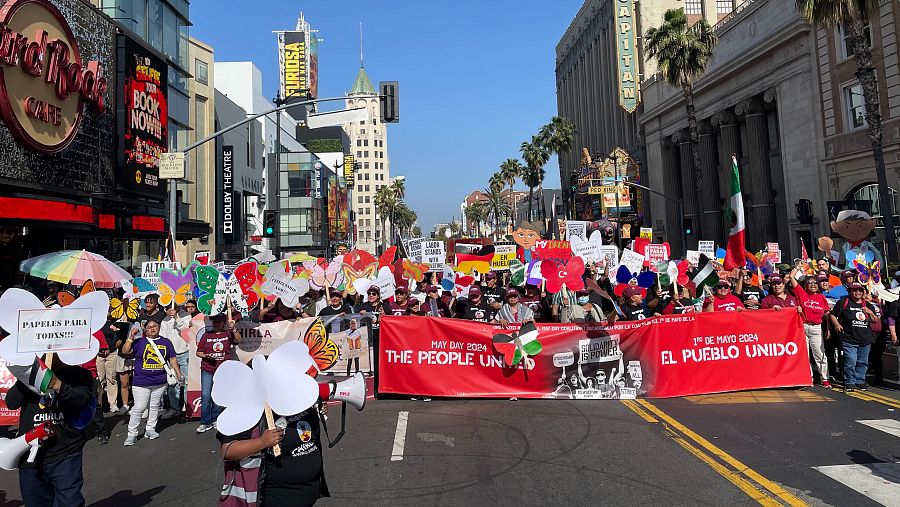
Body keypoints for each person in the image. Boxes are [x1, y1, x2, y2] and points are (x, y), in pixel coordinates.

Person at [6, 355, 94, 506]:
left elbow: (81, 401)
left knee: (70, 502)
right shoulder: (29, 375)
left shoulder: (78, 374)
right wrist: (29, 377)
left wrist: (57, 384)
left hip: (65, 451)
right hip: (31, 456)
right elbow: (11, 403)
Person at [218, 406, 330, 506]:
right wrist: (262, 442)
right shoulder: (248, 408)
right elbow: (227, 451)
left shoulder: (300, 400)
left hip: (309, 492)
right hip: (279, 497)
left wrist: (317, 410)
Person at [121, 319, 184, 446]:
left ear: (159, 327)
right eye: (149, 327)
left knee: (154, 406)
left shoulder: (166, 342)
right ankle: (131, 434)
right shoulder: (140, 342)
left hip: (159, 381)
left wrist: (177, 372)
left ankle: (150, 429)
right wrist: (131, 336)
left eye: (155, 326)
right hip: (141, 382)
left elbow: (172, 358)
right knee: (139, 408)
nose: (152, 328)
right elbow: (125, 351)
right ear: (145, 329)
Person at [828, 282, 878, 392]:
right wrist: (837, 325)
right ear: (849, 291)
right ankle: (850, 382)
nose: (858, 292)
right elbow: (832, 314)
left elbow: (875, 320)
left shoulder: (868, 305)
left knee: (863, 362)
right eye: (855, 290)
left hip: (865, 338)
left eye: (860, 290)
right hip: (849, 338)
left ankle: (860, 380)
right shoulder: (844, 302)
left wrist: (870, 312)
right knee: (850, 361)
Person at [196, 312, 241, 433]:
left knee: (218, 395)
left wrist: (234, 329)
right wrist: (207, 356)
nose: (216, 324)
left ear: (223, 323)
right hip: (207, 369)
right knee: (205, 395)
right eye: (214, 321)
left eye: (218, 321)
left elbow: (239, 340)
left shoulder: (227, 333)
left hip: (223, 370)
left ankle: (216, 418)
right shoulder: (206, 335)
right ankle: (205, 422)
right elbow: (198, 352)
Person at [789, 268, 832, 387]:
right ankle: (809, 378)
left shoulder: (821, 297)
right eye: (810, 283)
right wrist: (798, 267)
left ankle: (825, 379)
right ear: (805, 286)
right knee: (805, 355)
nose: (813, 285)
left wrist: (828, 329)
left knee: (820, 354)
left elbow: (827, 314)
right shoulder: (801, 293)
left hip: (817, 328)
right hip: (803, 326)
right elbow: (791, 277)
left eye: (815, 283)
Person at [160, 303, 191, 420]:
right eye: (167, 308)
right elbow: (163, 338)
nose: (169, 310)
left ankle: (188, 408)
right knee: (173, 382)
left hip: (184, 352)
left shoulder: (186, 316)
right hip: (171, 355)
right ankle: (174, 408)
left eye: (171, 307)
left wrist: (177, 317)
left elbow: (185, 330)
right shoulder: (164, 321)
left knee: (187, 381)